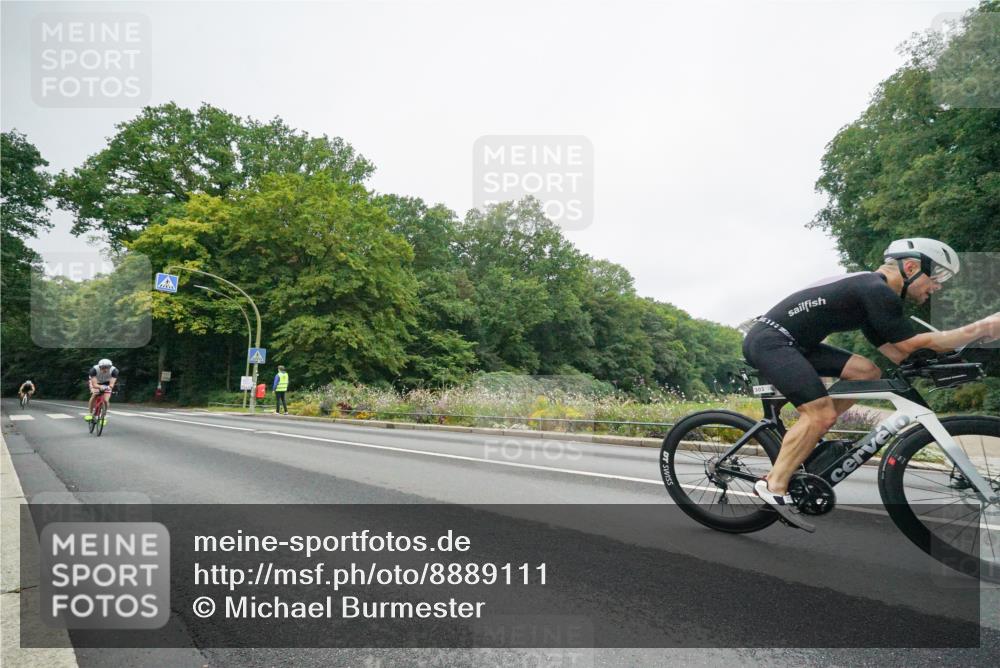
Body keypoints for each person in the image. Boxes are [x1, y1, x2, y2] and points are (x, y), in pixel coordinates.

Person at [743, 238, 1000, 531]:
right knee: (820, 413)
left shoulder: (871, 296)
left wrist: (969, 343)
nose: (937, 286)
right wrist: (981, 327)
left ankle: (812, 431)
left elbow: (900, 352)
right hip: (770, 342)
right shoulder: (875, 289)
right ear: (912, 267)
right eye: (937, 276)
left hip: (796, 344)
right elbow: (910, 343)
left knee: (866, 372)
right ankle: (773, 485)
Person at [85, 359, 119, 424]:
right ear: (99, 367)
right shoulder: (93, 370)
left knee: (106, 400)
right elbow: (94, 384)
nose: (105, 369)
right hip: (96, 382)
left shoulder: (114, 371)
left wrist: (108, 387)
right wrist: (100, 387)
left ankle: (103, 416)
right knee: (94, 395)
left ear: (110, 367)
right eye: (103, 368)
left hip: (107, 383)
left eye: (107, 368)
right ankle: (90, 413)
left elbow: (111, 384)